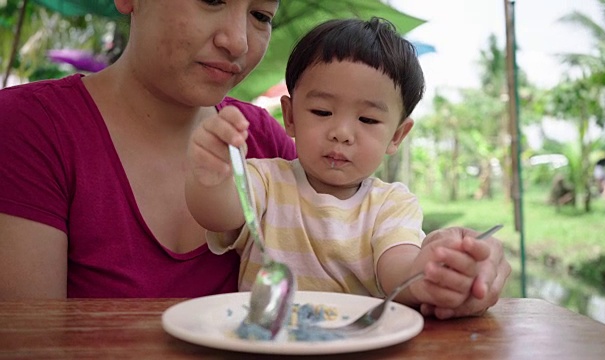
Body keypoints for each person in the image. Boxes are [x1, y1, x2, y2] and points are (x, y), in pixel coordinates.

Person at [0, 1, 508, 319]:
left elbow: (355, 235)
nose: (237, 41)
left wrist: (445, 274)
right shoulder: (30, 126)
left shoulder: (263, 136)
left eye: (261, 15)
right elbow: (32, 337)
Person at [185, 17, 504, 311]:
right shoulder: (267, 181)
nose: (341, 133)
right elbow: (218, 214)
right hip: (269, 342)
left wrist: (428, 271)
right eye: (322, 112)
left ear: (397, 135)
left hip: (356, 345)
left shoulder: (391, 206)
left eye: (367, 119)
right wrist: (213, 176)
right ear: (291, 116)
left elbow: (397, 268)